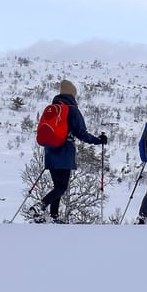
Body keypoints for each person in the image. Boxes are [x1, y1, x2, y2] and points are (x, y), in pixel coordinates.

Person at [28, 79, 106, 223]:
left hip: (50, 151)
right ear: (72, 94)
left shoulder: (53, 107)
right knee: (62, 187)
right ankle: (41, 206)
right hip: (64, 152)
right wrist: (98, 140)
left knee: (57, 186)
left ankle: (53, 217)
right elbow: (82, 133)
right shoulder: (72, 109)